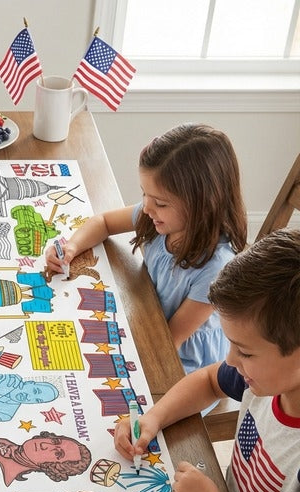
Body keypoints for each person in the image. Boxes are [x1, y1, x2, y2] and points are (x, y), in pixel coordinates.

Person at [114, 229, 300, 492]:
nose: (232, 360)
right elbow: (208, 380)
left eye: (245, 352)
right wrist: (153, 418)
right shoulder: (269, 378)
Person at [45, 123, 247, 374]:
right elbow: (104, 222)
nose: (147, 207)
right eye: (144, 194)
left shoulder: (216, 268)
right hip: (146, 313)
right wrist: (72, 246)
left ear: (202, 205)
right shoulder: (157, 217)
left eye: (160, 202)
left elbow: (167, 343)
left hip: (182, 360)